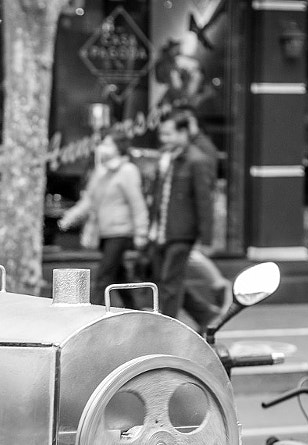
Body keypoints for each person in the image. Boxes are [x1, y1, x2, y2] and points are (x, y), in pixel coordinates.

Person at [145, 114, 219, 331]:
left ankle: (167, 330)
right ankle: (205, 314)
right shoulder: (167, 158)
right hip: (161, 231)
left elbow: (204, 201)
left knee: (169, 281)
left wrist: (206, 238)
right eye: (161, 133)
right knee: (165, 280)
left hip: (182, 233)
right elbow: (158, 197)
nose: (163, 138)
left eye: (168, 133)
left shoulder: (197, 160)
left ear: (183, 133)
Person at [59, 134, 149, 308]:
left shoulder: (127, 171)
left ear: (119, 149)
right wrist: (70, 217)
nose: (102, 148)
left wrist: (141, 232)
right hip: (105, 232)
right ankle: (136, 311)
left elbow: (137, 204)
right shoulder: (101, 171)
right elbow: (90, 200)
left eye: (108, 144)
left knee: (104, 275)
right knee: (118, 276)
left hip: (120, 232)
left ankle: (93, 312)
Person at [173, 111, 231, 319]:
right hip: (185, 213)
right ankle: (205, 310)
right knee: (176, 270)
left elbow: (204, 190)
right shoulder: (189, 148)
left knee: (188, 257)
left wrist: (203, 230)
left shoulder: (201, 149)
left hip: (190, 213)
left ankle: (218, 286)